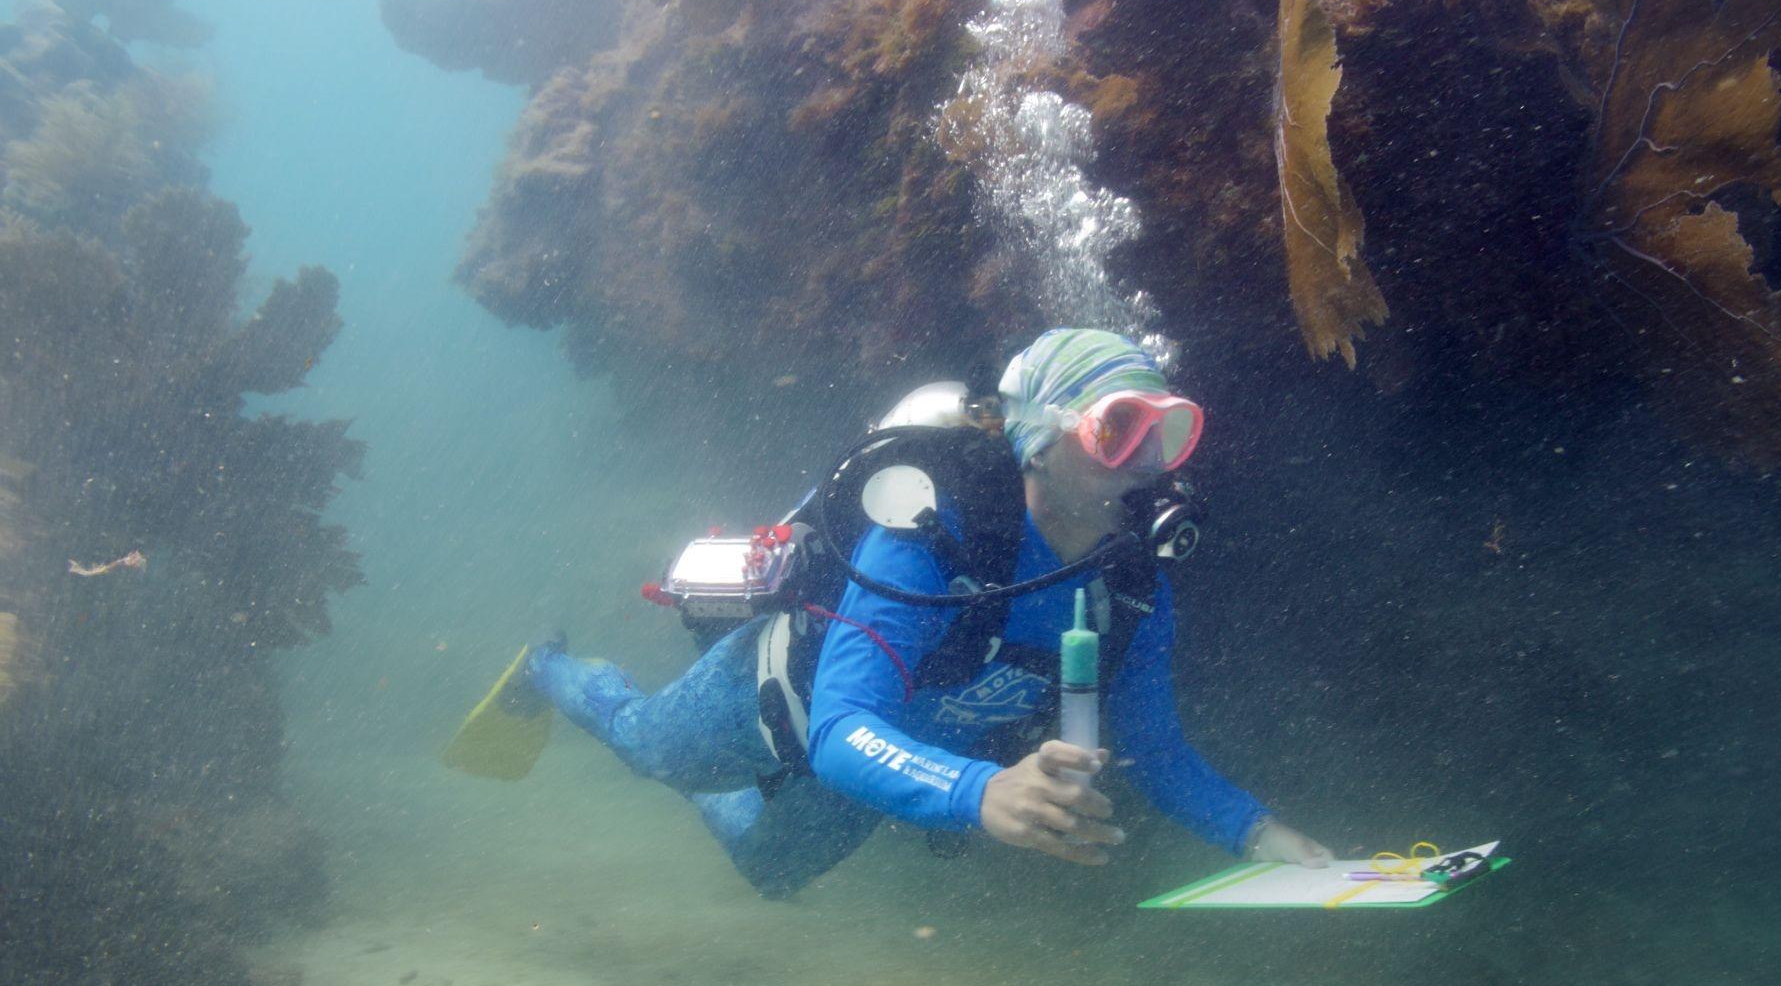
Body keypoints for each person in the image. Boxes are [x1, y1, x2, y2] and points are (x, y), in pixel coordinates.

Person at [499, 328, 1331, 897]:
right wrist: (980, 793)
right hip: (773, 701)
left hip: (888, 764)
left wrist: (1259, 837)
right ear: (1040, 434)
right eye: (1120, 428)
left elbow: (1155, 750)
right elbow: (838, 727)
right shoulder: (935, 528)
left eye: (1169, 433)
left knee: (768, 869)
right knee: (648, 747)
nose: (1146, 462)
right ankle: (552, 669)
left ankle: (724, 801)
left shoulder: (1134, 584)